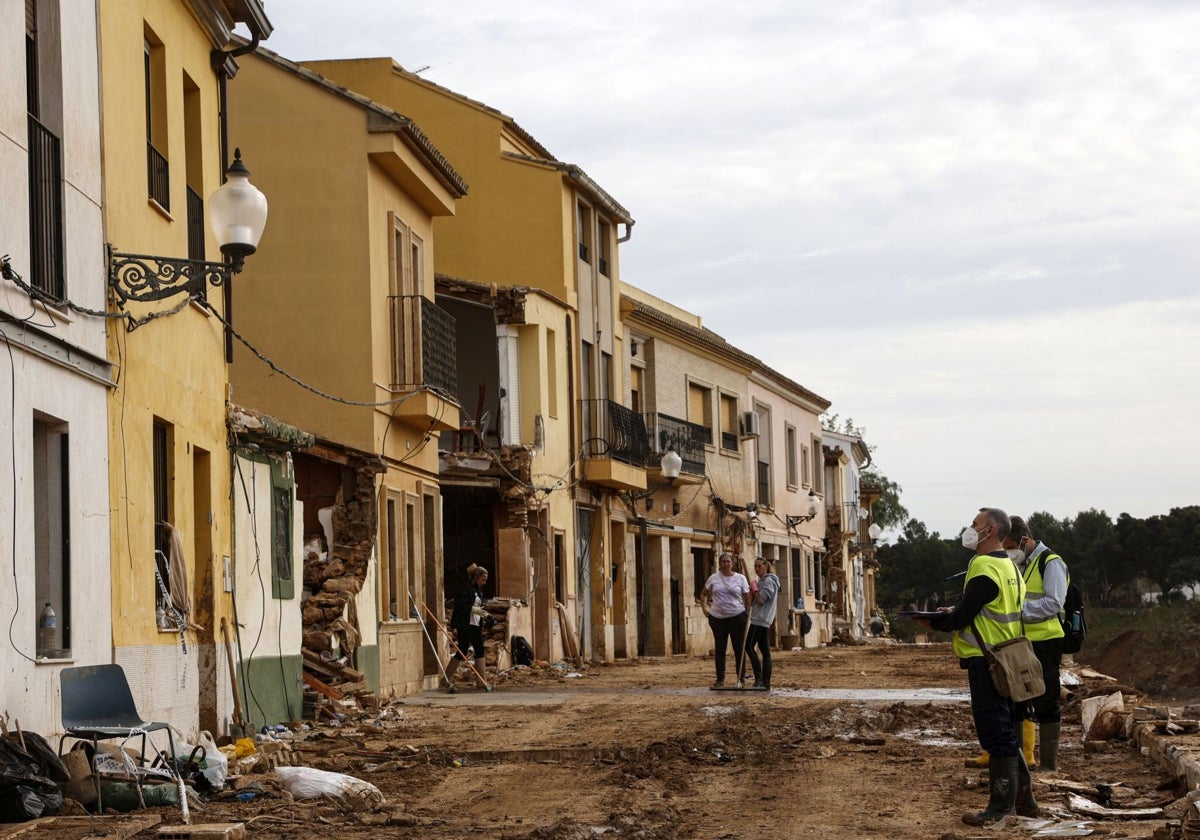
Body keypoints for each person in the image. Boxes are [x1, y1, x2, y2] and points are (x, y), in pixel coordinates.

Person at [915, 507, 1038, 825]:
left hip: (988, 662)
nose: (970, 529)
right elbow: (988, 606)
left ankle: (1000, 808)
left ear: (991, 531)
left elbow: (964, 617)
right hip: (1010, 657)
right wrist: (956, 610)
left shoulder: (983, 566)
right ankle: (1024, 801)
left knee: (996, 733)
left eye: (975, 524)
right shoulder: (1010, 566)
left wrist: (936, 622)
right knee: (1008, 731)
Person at [1007, 515, 1068, 772]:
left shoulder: (1051, 563)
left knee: (1047, 700)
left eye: (1010, 547)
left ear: (1025, 540)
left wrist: (1020, 612)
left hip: (1046, 641)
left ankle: (1049, 765)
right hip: (1021, 642)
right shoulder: (1019, 565)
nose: (1009, 553)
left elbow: (1054, 602)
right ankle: (1021, 760)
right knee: (1018, 700)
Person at [700, 552, 751, 688]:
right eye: (723, 562)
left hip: (737, 616)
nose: (726, 564)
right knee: (720, 649)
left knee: (739, 648)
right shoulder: (713, 578)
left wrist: (747, 611)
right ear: (720, 564)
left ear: (732, 563)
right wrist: (705, 609)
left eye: (728, 561)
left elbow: (747, 596)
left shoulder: (740, 578)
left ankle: (741, 678)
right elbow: (703, 594)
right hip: (718, 618)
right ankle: (720, 678)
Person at [443, 564, 490, 690]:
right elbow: (459, 606)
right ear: (476, 577)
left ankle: (481, 681)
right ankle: (446, 678)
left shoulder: (478, 591)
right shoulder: (465, 588)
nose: (484, 582)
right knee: (462, 650)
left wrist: (482, 613)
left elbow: (480, 606)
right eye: (482, 580)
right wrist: (473, 609)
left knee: (480, 650)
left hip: (475, 624)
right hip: (464, 624)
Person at [746, 557, 780, 690]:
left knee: (748, 646)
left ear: (766, 567)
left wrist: (755, 590)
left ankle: (759, 679)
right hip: (762, 618)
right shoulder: (764, 581)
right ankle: (765, 682)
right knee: (765, 651)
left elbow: (760, 600)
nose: (756, 568)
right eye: (755, 566)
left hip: (760, 619)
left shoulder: (769, 581)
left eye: (759, 566)